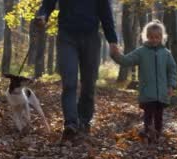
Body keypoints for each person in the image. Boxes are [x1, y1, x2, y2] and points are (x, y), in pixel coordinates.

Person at [36, 0, 119, 142]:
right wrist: (43, 15)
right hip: (67, 36)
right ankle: (71, 123)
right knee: (69, 82)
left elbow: (106, 14)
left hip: (91, 37)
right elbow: (47, 4)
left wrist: (112, 41)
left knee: (89, 83)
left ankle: (84, 120)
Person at [110, 20, 177, 143]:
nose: (154, 40)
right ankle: (147, 133)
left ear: (162, 37)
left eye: (157, 37)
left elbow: (172, 70)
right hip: (147, 92)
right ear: (147, 37)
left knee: (159, 116)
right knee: (148, 115)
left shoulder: (166, 54)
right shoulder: (141, 52)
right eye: (151, 37)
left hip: (162, 93)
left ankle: (156, 135)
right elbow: (126, 60)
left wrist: (171, 85)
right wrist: (115, 55)